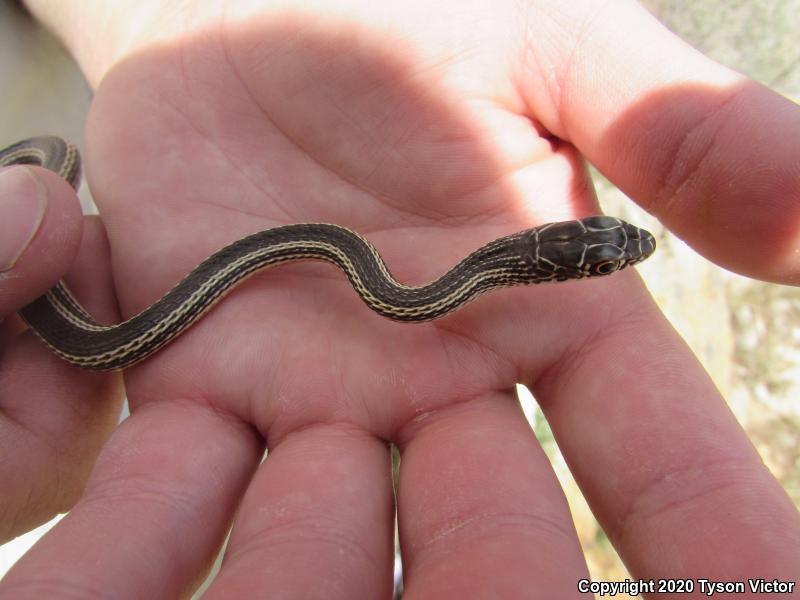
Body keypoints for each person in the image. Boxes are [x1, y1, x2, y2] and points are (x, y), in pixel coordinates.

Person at [1, 0, 798, 597]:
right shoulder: (427, 280)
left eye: (599, 255)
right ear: (543, 266)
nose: (612, 255)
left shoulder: (449, 276)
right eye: (601, 254)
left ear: (539, 261)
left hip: (98, 145)